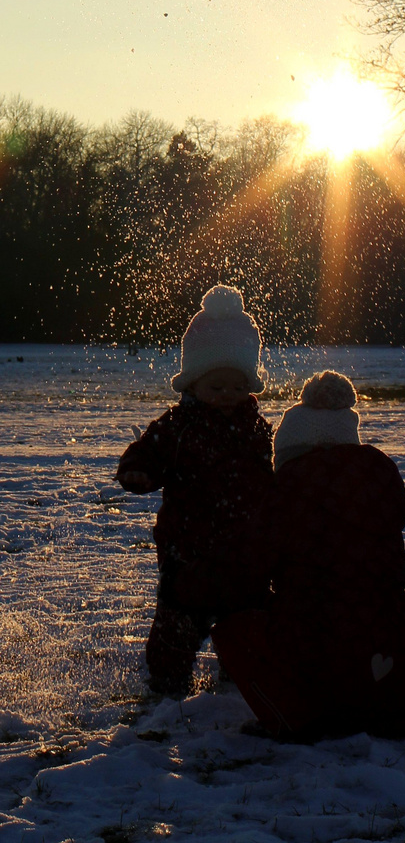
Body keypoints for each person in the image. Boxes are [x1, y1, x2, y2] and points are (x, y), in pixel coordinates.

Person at [212, 370, 405, 739]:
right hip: (393, 642)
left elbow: (248, 569)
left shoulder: (288, 490)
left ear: (291, 452)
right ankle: (373, 697)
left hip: (319, 645)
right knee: (361, 660)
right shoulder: (379, 480)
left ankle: (297, 717)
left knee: (234, 630)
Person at [116, 285, 273, 696]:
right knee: (177, 623)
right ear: (194, 383)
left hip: (246, 556)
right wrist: (138, 473)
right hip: (188, 552)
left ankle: (241, 675)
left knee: (248, 624)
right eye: (216, 388)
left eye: (237, 388)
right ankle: (167, 684)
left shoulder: (258, 430)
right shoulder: (178, 427)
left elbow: (273, 477)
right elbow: (146, 452)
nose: (227, 397)